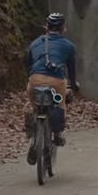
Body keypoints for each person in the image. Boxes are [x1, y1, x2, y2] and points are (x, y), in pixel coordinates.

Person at [24, 12, 79, 161]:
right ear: (63, 29)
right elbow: (72, 70)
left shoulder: (35, 43)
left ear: (46, 27)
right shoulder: (68, 46)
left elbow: (28, 64)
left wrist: (32, 79)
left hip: (35, 79)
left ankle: (33, 138)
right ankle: (58, 134)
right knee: (60, 102)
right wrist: (73, 86)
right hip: (56, 82)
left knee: (33, 106)